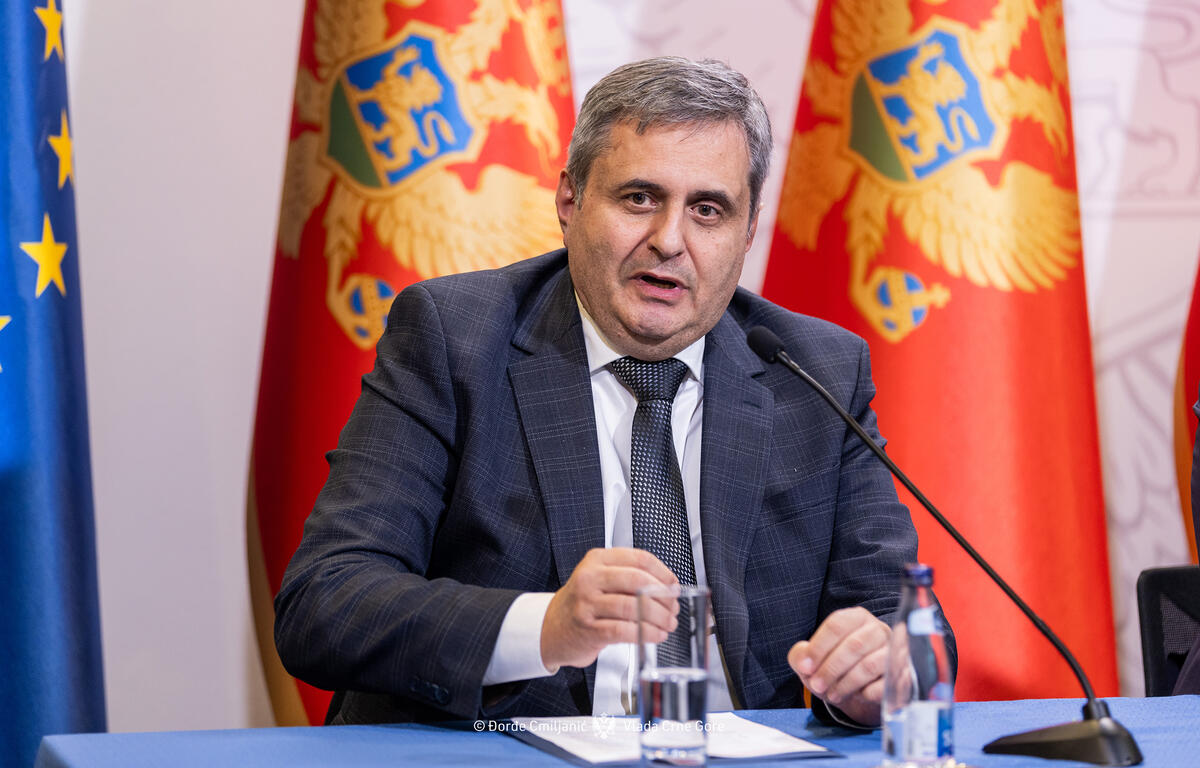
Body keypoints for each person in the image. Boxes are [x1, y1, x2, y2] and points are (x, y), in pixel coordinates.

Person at [274, 56, 955, 727]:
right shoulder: (456, 340)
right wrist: (547, 626)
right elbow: (326, 602)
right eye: (639, 198)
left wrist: (879, 672)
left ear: (748, 231)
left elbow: (902, 620)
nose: (669, 241)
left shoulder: (814, 372)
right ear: (569, 202)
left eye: (708, 210)